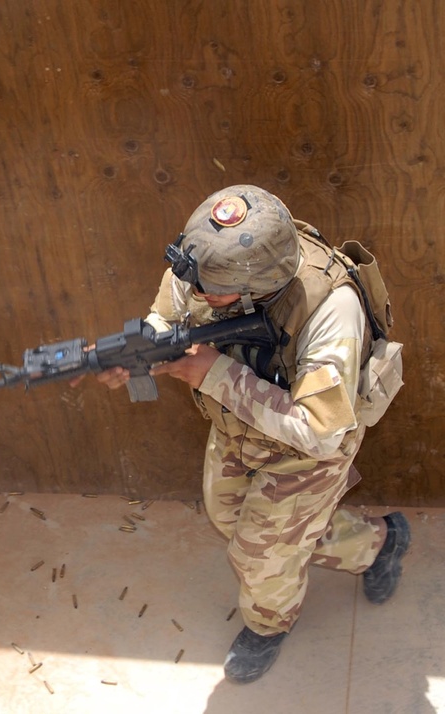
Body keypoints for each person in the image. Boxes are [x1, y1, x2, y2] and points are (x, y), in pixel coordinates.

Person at [80, 185, 410, 684]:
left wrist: (214, 375)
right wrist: (137, 350)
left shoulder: (330, 310)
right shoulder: (207, 266)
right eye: (196, 281)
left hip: (308, 450)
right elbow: (168, 315)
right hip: (239, 426)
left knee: (261, 553)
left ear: (259, 285)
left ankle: (268, 625)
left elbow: (318, 432)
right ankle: (379, 543)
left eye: (214, 292)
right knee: (229, 518)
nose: (199, 295)